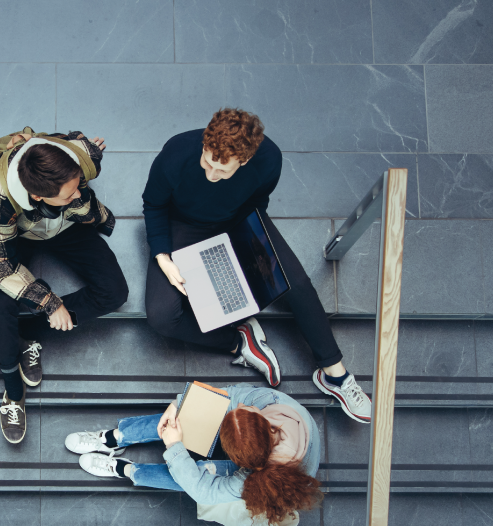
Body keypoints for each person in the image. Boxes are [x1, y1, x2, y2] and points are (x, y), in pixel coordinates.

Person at [143, 108, 372, 423]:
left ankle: (335, 374)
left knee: (296, 283)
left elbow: (257, 201)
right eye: (207, 161)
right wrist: (163, 257)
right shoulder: (177, 152)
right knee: (161, 316)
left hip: (238, 219)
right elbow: (154, 204)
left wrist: (252, 245)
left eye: (222, 170)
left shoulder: (268, 160)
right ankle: (239, 342)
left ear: (245, 160)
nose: (211, 174)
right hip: (183, 225)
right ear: (204, 144)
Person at [0, 129, 129, 443]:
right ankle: (13, 392)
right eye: (69, 192)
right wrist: (49, 301)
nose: (78, 194)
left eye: (78, 186)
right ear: (37, 196)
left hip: (67, 226)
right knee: (1, 308)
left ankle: (29, 335)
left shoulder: (71, 156)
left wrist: (91, 154)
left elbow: (80, 144)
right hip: (19, 234)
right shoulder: (1, 196)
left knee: (115, 292)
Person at [65, 384, 321, 526]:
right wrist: (177, 406)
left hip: (267, 478)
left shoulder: (255, 479)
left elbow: (202, 490)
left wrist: (174, 446)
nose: (243, 405)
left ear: (242, 464)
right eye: (246, 409)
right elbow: (229, 396)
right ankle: (114, 438)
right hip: (259, 451)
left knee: (194, 475)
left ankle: (126, 470)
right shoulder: (268, 402)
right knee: (183, 419)